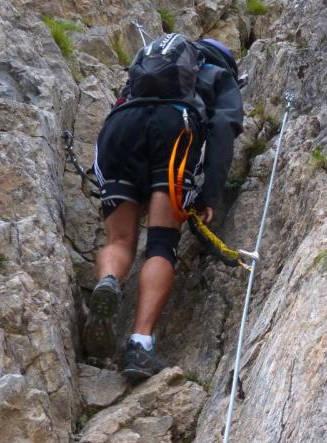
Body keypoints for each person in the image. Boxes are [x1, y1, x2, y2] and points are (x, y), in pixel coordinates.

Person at [86, 33, 243, 381]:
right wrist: (209, 195)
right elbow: (221, 127)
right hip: (174, 129)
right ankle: (140, 344)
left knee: (119, 240)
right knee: (160, 242)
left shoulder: (148, 67)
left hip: (120, 129)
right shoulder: (219, 75)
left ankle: (109, 281)